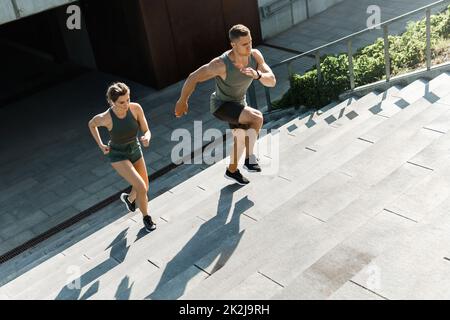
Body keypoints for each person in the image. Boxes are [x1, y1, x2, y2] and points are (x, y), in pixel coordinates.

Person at [174, 24, 276, 185]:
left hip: (239, 104)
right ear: (233, 45)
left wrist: (258, 74)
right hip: (221, 105)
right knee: (257, 118)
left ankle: (232, 171)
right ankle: (250, 159)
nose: (249, 46)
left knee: (241, 139)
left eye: (250, 41)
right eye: (244, 44)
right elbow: (193, 77)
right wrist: (182, 100)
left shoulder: (255, 56)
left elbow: (272, 81)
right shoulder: (220, 64)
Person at [88, 82, 156, 232]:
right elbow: (91, 124)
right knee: (141, 187)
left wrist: (147, 137)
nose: (126, 104)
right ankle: (146, 218)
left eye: (128, 99)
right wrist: (100, 144)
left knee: (144, 186)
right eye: (121, 102)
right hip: (118, 154)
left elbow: (146, 130)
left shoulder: (136, 108)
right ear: (112, 102)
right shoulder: (105, 117)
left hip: (135, 149)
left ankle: (129, 198)